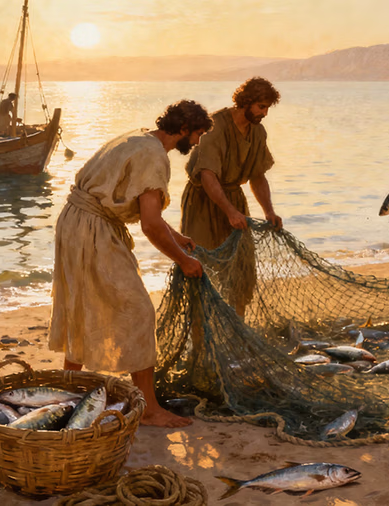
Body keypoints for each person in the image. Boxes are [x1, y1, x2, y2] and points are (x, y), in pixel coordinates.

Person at [48, 100, 213, 428]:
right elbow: (150, 224)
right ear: (182, 129)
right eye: (196, 135)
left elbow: (143, 210)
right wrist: (184, 261)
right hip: (93, 228)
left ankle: (68, 386)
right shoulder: (154, 157)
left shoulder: (139, 138)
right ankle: (149, 408)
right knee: (139, 311)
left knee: (80, 304)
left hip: (73, 221)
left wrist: (176, 236)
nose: (196, 143)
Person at [181, 76, 282, 316]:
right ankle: (200, 334)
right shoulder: (215, 126)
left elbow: (257, 176)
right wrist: (229, 212)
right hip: (202, 201)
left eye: (267, 107)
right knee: (202, 267)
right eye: (261, 107)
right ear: (245, 102)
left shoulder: (258, 132)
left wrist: (269, 211)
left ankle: (237, 327)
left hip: (234, 198)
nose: (265, 113)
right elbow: (207, 175)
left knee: (242, 270)